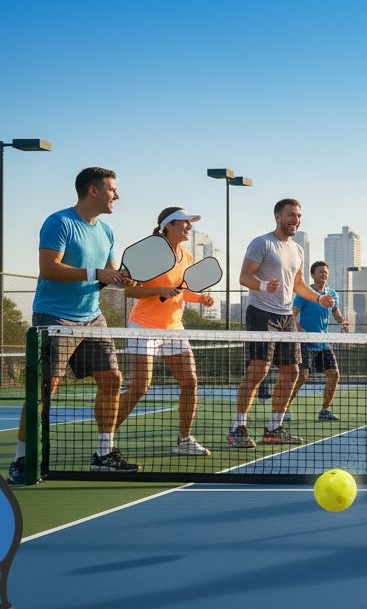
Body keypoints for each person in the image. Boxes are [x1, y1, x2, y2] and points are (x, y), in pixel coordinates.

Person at [11, 167, 135, 484]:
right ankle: (21, 459)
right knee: (43, 390)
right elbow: (48, 268)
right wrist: (96, 274)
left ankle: (104, 454)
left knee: (112, 379)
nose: (117, 195)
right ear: (93, 191)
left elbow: (108, 275)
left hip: (92, 317)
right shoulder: (59, 222)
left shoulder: (106, 231)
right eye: (112, 189)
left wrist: (121, 278)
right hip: (54, 318)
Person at [227, 199, 335, 449]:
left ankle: (274, 428)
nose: (295, 220)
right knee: (258, 370)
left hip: (286, 318)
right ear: (278, 216)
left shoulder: (297, 250)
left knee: (292, 372)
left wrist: (319, 298)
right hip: (261, 313)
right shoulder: (262, 243)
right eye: (291, 215)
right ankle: (238, 428)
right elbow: (244, 277)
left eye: (298, 216)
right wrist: (264, 286)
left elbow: (297, 284)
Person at [115, 207, 216, 456]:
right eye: (184, 222)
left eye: (190, 223)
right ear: (168, 226)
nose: (189, 226)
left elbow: (182, 289)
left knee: (190, 382)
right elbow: (129, 291)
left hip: (174, 327)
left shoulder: (188, 256)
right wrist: (156, 291)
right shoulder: (150, 255)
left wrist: (200, 298)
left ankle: (184, 440)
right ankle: (107, 436)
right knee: (139, 387)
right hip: (143, 327)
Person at [290, 260, 349, 423]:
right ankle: (285, 407)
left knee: (334, 375)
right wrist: (299, 329)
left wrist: (342, 321)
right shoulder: (305, 293)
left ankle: (325, 410)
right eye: (320, 272)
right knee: (302, 376)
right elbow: (292, 314)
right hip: (305, 342)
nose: (324, 274)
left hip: (323, 342)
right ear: (313, 275)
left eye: (326, 272)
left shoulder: (332, 294)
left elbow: (335, 311)